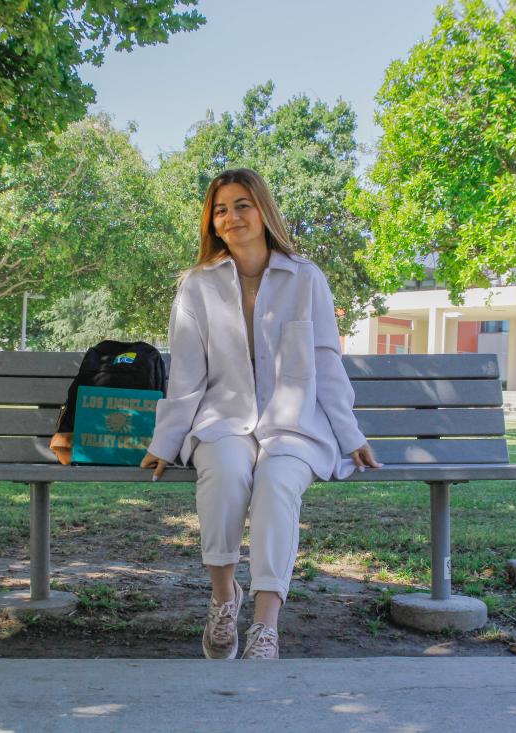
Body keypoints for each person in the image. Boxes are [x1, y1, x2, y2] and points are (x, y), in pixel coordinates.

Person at [140, 168, 383, 660]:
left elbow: (325, 361)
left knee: (275, 483)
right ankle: (224, 599)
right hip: (224, 420)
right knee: (226, 473)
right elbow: (185, 375)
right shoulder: (196, 286)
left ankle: (266, 627)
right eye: (221, 209)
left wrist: (350, 433)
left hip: (292, 425)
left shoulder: (305, 276)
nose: (232, 217)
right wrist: (165, 442)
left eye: (243, 205)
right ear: (212, 221)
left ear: (264, 210)